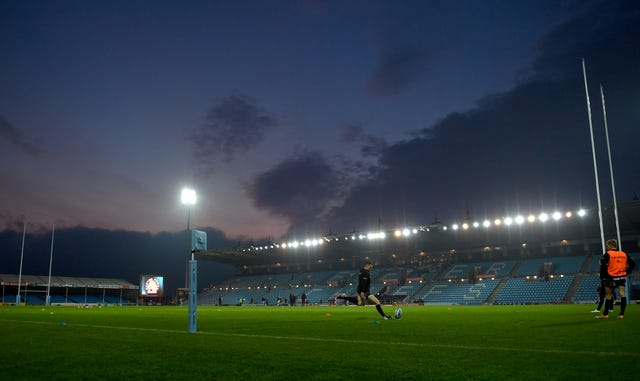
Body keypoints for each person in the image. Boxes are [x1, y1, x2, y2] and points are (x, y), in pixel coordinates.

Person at [596, 239, 635, 319]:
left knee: (608, 295)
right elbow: (632, 264)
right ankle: (621, 314)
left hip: (610, 276)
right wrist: (627, 272)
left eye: (607, 246)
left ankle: (605, 314)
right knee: (622, 294)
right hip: (621, 276)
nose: (607, 247)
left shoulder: (608, 254)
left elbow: (603, 266)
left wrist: (602, 277)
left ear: (609, 245)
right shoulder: (623, 253)